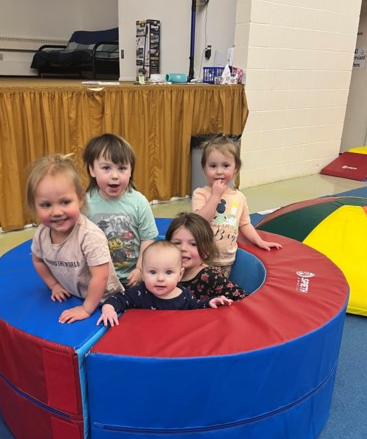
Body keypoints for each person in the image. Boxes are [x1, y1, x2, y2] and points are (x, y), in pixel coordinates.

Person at [27, 154, 124, 324]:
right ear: (34, 206)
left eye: (65, 202)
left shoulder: (89, 236)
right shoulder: (42, 234)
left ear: (80, 199)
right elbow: (38, 260)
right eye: (46, 205)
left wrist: (86, 309)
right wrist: (54, 285)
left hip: (106, 299)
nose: (56, 212)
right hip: (75, 293)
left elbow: (100, 277)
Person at [192, 135, 282, 276]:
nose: (219, 171)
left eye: (226, 165)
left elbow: (245, 224)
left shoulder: (239, 197)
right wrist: (215, 196)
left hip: (226, 260)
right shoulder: (201, 193)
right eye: (213, 166)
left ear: (236, 168)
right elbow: (199, 222)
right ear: (204, 168)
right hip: (202, 259)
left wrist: (260, 241)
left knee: (219, 294)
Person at [97, 241, 233, 327]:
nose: (160, 278)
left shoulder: (184, 295)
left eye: (168, 272)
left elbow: (196, 306)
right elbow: (118, 299)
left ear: (180, 275)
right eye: (152, 272)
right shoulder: (139, 293)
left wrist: (210, 302)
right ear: (143, 274)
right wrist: (109, 309)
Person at [84, 133, 159, 289]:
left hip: (133, 277)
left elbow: (147, 239)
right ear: (92, 170)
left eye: (122, 168)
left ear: (131, 170)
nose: (115, 176)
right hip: (98, 277)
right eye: (106, 168)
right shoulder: (85, 203)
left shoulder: (139, 202)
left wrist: (140, 269)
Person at [165, 212, 249, 301]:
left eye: (193, 244)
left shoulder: (210, 277)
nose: (183, 248)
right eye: (177, 243)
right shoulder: (161, 272)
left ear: (206, 251)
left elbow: (243, 299)